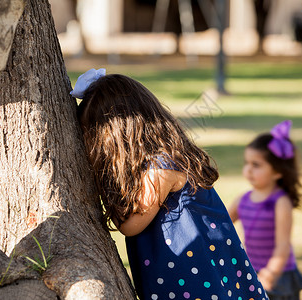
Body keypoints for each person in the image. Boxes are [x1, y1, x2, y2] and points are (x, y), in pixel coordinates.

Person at [73, 68, 268, 300]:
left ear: (118, 135)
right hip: (190, 275)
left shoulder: (161, 170)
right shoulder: (164, 159)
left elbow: (130, 225)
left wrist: (99, 183)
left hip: (196, 280)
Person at [229, 120, 302, 300]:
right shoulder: (243, 200)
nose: (248, 169)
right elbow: (221, 225)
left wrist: (271, 273)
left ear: (278, 172)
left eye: (256, 165)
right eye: (246, 163)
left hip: (278, 276)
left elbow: (283, 245)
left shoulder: (281, 203)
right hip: (252, 271)